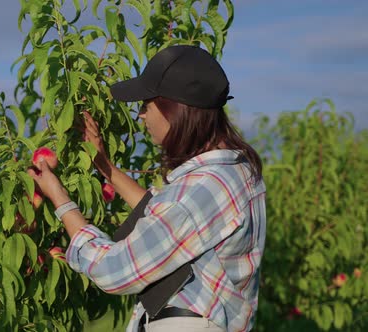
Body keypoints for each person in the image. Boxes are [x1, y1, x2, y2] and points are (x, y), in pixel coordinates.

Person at [27, 45, 266, 332]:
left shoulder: (201, 189)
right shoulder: (233, 171)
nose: (141, 116)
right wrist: (107, 168)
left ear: (174, 109)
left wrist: (60, 198)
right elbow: (168, 221)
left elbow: (113, 270)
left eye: (146, 106)